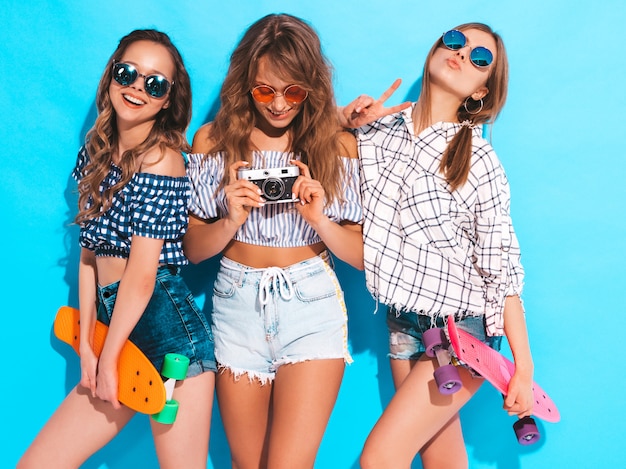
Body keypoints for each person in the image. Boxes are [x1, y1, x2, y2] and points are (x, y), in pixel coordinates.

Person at [18, 29, 216, 469]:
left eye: (155, 83)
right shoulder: (95, 153)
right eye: (127, 73)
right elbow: (88, 256)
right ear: (111, 75)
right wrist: (90, 346)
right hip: (113, 328)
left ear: (168, 99)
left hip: (168, 338)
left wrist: (108, 358)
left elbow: (143, 275)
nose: (137, 88)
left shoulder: (161, 160)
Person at [341, 23, 535, 468]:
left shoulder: (479, 159)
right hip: (402, 324)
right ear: (435, 49)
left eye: (480, 58)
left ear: (481, 92)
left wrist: (523, 368)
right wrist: (343, 119)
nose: (463, 54)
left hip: (461, 331)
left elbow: (501, 269)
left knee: (380, 457)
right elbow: (310, 135)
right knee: (441, 455)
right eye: (455, 41)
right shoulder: (376, 130)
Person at [183, 13, 363, 469]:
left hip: (311, 302)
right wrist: (229, 219)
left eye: (294, 91)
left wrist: (319, 220)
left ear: (311, 88)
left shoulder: (337, 145)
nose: (279, 104)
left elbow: (363, 258)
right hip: (235, 303)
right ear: (246, 83)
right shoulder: (212, 142)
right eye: (266, 90)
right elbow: (191, 250)